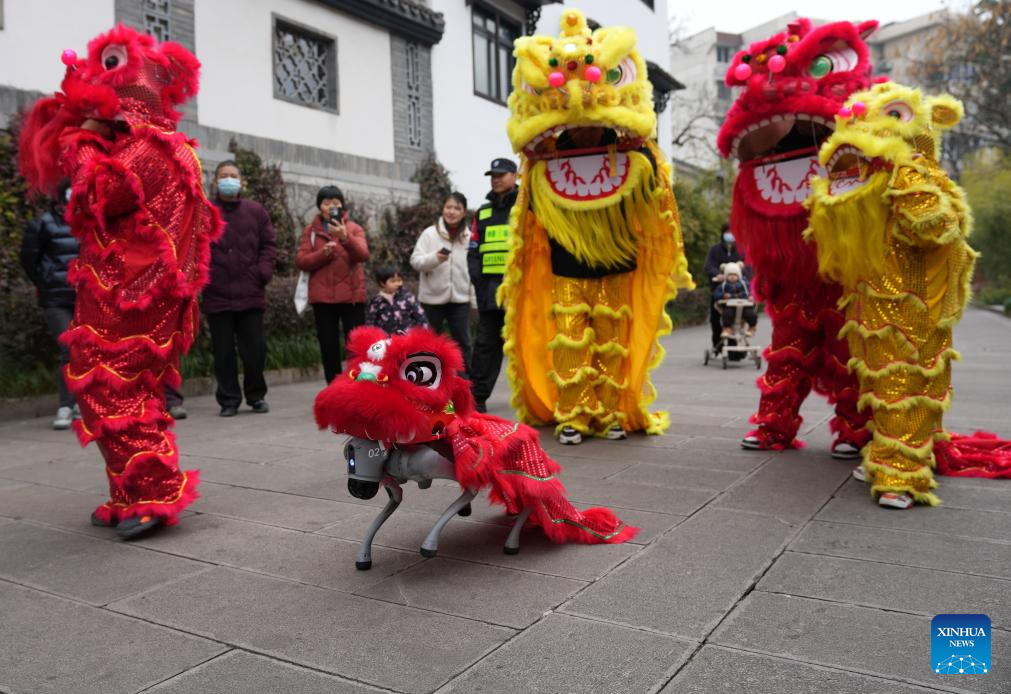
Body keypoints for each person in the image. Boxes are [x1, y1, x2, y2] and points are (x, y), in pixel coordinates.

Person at [201, 160, 277, 417]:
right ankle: (229, 400)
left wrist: (262, 273)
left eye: (233, 175)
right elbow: (195, 247)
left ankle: (256, 396)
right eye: (224, 176)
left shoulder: (256, 212)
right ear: (215, 181)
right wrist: (204, 277)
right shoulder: (205, 212)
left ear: (242, 181)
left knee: (254, 350)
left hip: (250, 292)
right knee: (223, 353)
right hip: (217, 294)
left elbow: (269, 246)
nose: (229, 180)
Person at [19, 180, 79, 430]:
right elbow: (29, 257)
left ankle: (78, 403)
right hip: (56, 299)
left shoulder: (91, 222)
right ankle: (66, 405)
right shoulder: (44, 222)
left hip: (85, 298)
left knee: (86, 352)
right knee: (69, 347)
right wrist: (44, 282)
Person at [296, 185, 369, 384]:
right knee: (328, 347)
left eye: (336, 203)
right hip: (323, 299)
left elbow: (363, 254)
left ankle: (359, 388)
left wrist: (345, 238)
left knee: (356, 347)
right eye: (326, 203)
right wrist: (322, 254)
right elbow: (301, 261)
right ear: (319, 206)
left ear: (342, 205)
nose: (331, 206)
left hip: (352, 298)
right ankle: (335, 389)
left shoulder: (354, 228)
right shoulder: (311, 231)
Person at [468, 158, 518, 413]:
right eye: (492, 175)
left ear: (515, 176)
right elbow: (474, 249)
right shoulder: (483, 212)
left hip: (520, 291)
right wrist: (477, 279)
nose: (496, 179)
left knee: (526, 346)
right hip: (489, 292)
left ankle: (538, 400)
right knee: (485, 346)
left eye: (501, 174)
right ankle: (476, 399)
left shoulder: (526, 206)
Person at [410, 191, 472, 372]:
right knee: (427, 344)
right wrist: (435, 258)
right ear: (443, 209)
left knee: (463, 344)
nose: (452, 211)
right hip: (432, 299)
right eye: (448, 207)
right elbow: (416, 261)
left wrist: (474, 300)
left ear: (464, 212)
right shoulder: (429, 234)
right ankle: (425, 380)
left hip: (461, 300)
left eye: (457, 208)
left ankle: (465, 384)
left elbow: (473, 270)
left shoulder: (469, 237)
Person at [703, 223, 747, 350]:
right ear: (722, 234)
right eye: (727, 232)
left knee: (737, 319)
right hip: (719, 292)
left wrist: (741, 275)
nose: (730, 235)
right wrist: (718, 274)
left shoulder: (741, 250)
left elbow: (747, 267)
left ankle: (736, 349)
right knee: (716, 320)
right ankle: (718, 346)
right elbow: (709, 267)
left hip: (738, 292)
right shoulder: (715, 250)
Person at [366, 265, 428, 335]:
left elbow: (421, 318)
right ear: (382, 283)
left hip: (407, 338)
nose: (398, 284)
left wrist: (425, 335)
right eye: (393, 281)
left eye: (399, 280)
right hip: (386, 339)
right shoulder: (376, 301)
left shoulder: (409, 298)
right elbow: (370, 322)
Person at [713, 263, 757, 337]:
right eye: (730, 275)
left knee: (751, 314)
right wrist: (723, 296)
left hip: (744, 306)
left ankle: (752, 327)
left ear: (738, 275)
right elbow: (715, 295)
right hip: (730, 307)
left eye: (735, 275)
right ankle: (727, 328)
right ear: (726, 276)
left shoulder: (744, 284)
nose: (732, 277)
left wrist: (751, 296)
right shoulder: (723, 286)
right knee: (726, 314)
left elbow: (752, 291)